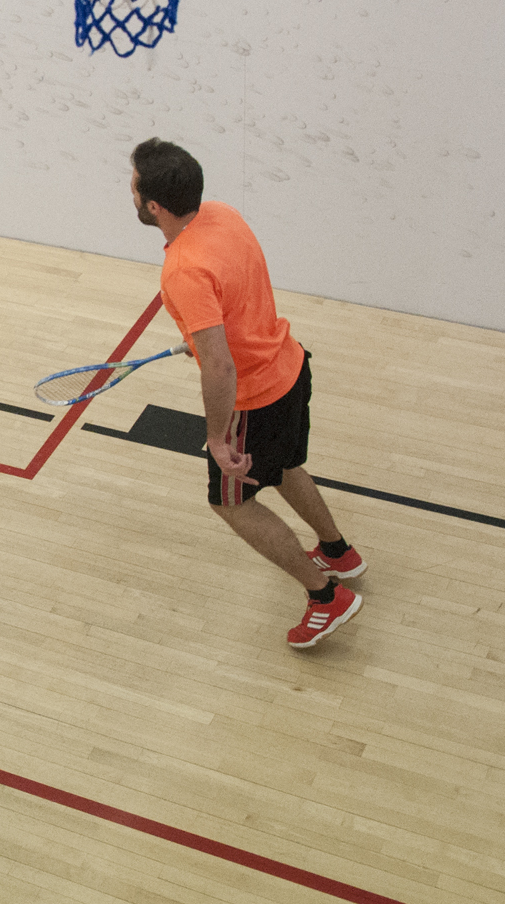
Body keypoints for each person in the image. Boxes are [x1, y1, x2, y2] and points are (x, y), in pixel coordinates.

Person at [128, 138, 366, 648]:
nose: (128, 187)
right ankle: (339, 552)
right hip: (289, 366)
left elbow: (219, 367)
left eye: (132, 182)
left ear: (153, 205)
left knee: (231, 502)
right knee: (282, 467)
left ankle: (325, 596)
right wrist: (206, 339)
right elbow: (233, 301)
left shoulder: (183, 269)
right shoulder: (221, 214)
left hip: (254, 397)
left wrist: (218, 438)